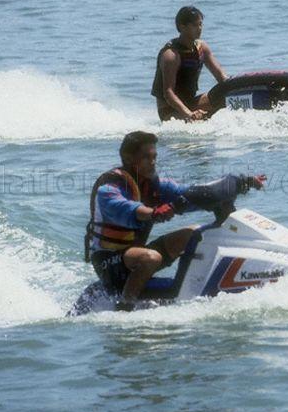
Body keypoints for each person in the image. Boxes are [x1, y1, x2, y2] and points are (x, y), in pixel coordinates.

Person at [84, 131, 265, 311]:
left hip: (132, 257)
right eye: (146, 157)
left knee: (195, 234)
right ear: (129, 158)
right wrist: (154, 212)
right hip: (109, 264)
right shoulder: (108, 189)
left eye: (155, 156)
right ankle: (125, 307)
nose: (153, 162)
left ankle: (187, 288)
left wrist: (241, 184)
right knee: (150, 258)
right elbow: (130, 210)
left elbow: (192, 194)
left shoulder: (154, 186)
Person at [151, 6, 228, 121]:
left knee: (222, 96)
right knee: (209, 112)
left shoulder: (202, 48)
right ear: (182, 27)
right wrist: (190, 114)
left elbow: (222, 78)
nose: (199, 28)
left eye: (201, 24)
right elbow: (168, 93)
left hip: (190, 102)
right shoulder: (171, 55)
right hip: (170, 111)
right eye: (195, 25)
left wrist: (238, 88)